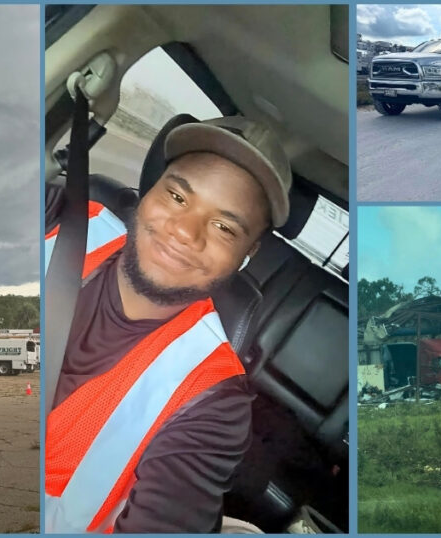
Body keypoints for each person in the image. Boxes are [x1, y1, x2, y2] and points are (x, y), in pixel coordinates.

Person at [45, 116, 291, 533]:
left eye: (223, 227)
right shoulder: (61, 218)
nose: (184, 231)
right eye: (177, 196)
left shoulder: (213, 401)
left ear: (247, 254)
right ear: (149, 191)